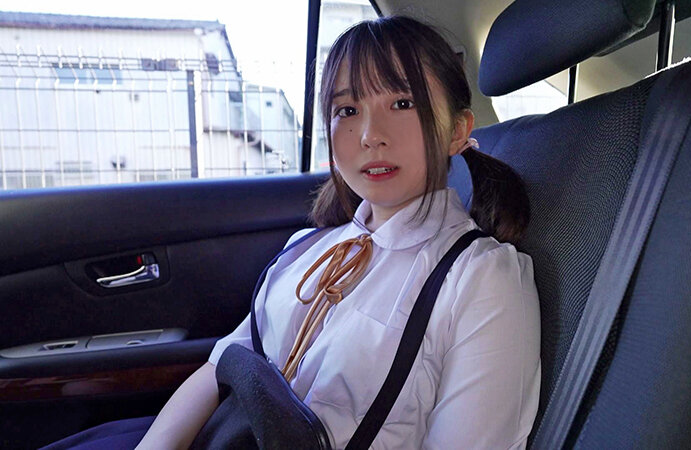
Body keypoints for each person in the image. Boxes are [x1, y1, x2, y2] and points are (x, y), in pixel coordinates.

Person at [45, 15, 541, 450]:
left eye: (402, 102)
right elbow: (221, 367)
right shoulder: (307, 249)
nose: (371, 134)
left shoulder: (480, 279)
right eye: (347, 110)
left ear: (458, 130)